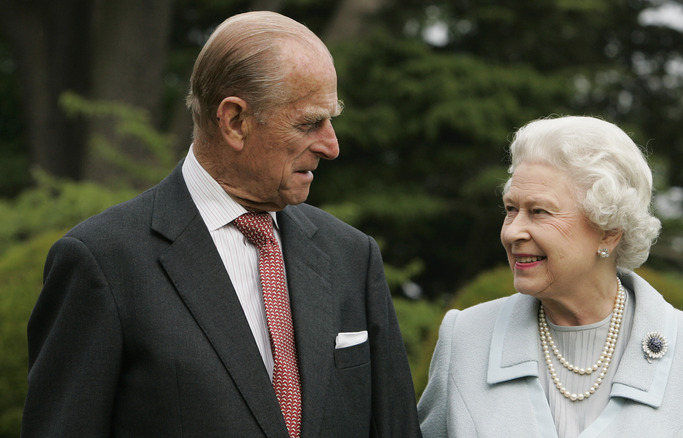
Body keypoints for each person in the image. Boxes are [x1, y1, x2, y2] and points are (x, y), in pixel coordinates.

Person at [22, 11, 421, 438]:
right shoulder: (102, 262)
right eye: (309, 123)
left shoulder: (352, 256)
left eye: (331, 120)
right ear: (234, 120)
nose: (331, 146)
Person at [417, 115, 683, 437]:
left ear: (609, 232)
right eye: (511, 209)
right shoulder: (465, 340)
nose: (512, 232)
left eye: (539, 212)